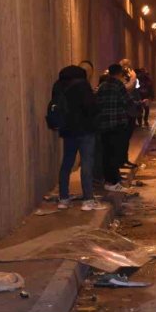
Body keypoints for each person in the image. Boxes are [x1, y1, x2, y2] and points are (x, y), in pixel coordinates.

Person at [52, 65, 107, 211]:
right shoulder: (82, 85)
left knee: (66, 163)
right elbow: (91, 107)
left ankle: (63, 199)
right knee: (87, 163)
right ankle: (88, 199)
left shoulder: (58, 86)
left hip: (68, 131)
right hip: (85, 130)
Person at [96, 64, 138, 191]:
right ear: (119, 73)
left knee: (106, 153)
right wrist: (139, 104)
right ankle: (114, 182)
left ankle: (108, 180)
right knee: (115, 153)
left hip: (104, 125)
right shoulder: (118, 85)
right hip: (117, 124)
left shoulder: (102, 86)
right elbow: (127, 101)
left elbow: (98, 103)